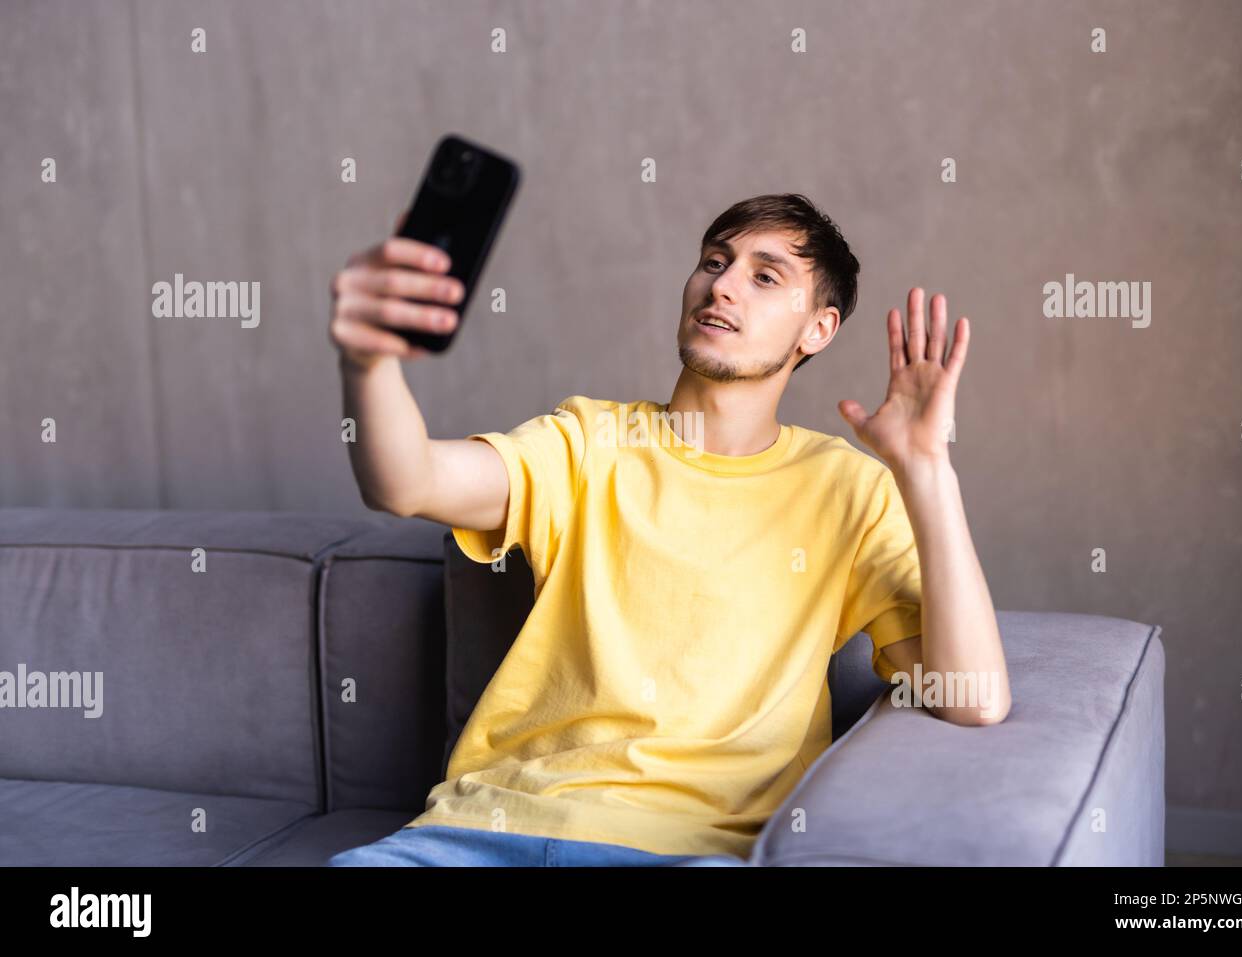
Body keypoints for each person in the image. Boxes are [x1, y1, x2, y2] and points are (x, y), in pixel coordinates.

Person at [325, 193, 1010, 867]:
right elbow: (405, 481)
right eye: (715, 261)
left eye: (764, 276)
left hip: (691, 848)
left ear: (817, 329)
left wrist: (926, 470)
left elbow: (974, 699)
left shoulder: (852, 490)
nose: (723, 286)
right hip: (480, 829)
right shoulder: (588, 440)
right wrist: (367, 361)